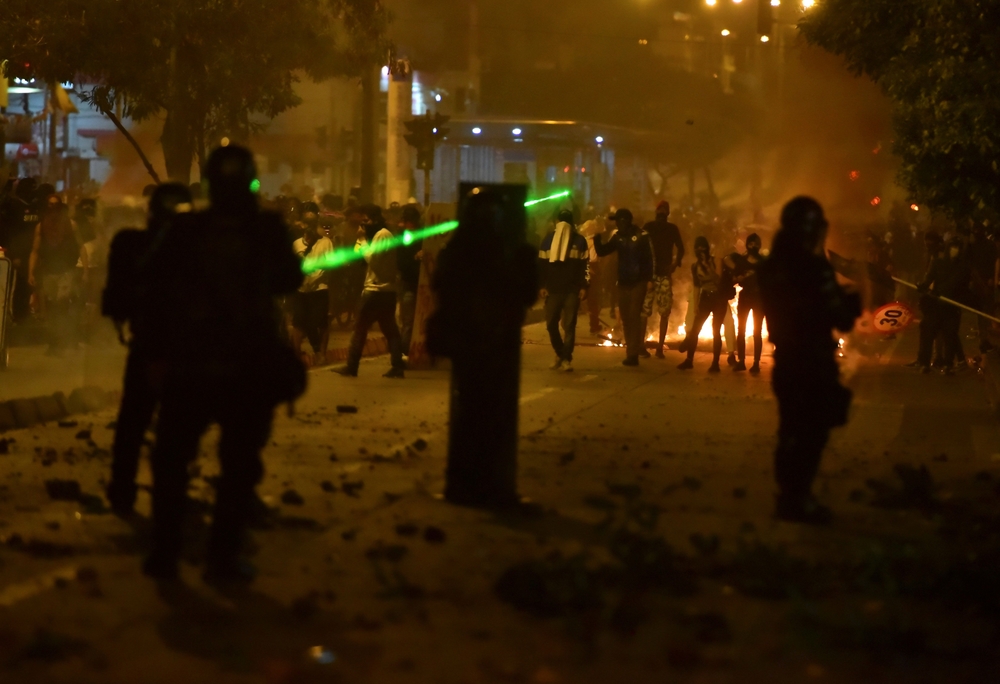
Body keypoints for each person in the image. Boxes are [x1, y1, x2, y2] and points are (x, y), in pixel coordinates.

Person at [139, 146, 306, 581]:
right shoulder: (265, 228)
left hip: (191, 363)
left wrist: (156, 353)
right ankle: (221, 558)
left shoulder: (186, 228)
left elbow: (152, 288)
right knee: (237, 467)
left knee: (173, 462)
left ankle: (165, 551)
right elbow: (291, 278)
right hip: (244, 367)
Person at [759, 197, 861, 524]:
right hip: (814, 362)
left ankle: (787, 497)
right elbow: (842, 319)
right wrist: (853, 300)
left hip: (785, 362)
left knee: (789, 429)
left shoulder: (769, 267)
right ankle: (798, 498)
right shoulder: (815, 269)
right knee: (812, 433)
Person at [102, 183, 193, 516]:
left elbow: (115, 301)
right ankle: (156, 493)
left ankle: (125, 489)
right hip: (173, 348)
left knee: (136, 423)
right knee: (166, 426)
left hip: (158, 346)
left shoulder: (133, 244)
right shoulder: (189, 251)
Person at [333, 208, 406, 378]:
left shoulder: (382, 235)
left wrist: (361, 240)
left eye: (366, 221)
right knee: (390, 330)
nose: (363, 225)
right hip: (385, 291)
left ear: (375, 220)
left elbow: (372, 259)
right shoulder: (381, 235)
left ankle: (352, 366)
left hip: (376, 290)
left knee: (360, 329)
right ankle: (397, 365)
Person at [593, 209, 653, 366]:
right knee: (626, 318)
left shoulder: (641, 235)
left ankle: (635, 350)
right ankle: (631, 353)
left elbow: (648, 259)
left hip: (638, 282)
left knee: (634, 315)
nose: (616, 224)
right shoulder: (617, 237)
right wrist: (597, 236)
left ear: (625, 220)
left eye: (618, 220)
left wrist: (649, 280)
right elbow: (602, 250)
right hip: (623, 282)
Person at [539, 209, 589, 371]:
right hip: (553, 290)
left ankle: (566, 359)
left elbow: (585, 267)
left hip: (571, 291)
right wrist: (542, 286)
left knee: (569, 326)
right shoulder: (547, 241)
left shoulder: (580, 241)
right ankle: (561, 353)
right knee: (551, 324)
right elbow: (541, 266)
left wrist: (583, 287)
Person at [28, 195, 79, 354]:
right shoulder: (41, 226)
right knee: (51, 307)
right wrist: (31, 272)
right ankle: (54, 342)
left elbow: (80, 246)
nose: (53, 208)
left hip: (65, 271)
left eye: (56, 205)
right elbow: (35, 251)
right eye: (50, 205)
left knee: (61, 304)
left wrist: (81, 268)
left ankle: (63, 341)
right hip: (49, 271)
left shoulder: (71, 225)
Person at [677, 237, 733, 372]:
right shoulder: (695, 267)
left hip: (719, 298)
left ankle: (715, 363)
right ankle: (689, 360)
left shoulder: (716, 261)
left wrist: (708, 267)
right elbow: (697, 286)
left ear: (707, 248)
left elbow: (718, 280)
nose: (700, 250)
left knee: (716, 330)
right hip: (705, 298)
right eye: (698, 248)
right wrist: (695, 304)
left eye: (702, 247)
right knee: (695, 329)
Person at [917, 237, 972, 375]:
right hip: (935, 305)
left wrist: (947, 294)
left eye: (958, 247)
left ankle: (948, 365)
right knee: (928, 335)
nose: (955, 250)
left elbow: (961, 286)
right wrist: (922, 286)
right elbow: (929, 278)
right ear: (948, 248)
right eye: (953, 246)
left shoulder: (963, 267)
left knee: (950, 335)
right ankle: (924, 364)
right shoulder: (938, 263)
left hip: (952, 307)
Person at [641, 201, 685, 358]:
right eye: (660, 210)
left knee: (661, 311)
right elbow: (640, 247)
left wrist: (674, 265)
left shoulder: (669, 228)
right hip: (650, 275)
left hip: (659, 275)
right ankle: (644, 346)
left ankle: (659, 347)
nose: (661, 213)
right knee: (646, 311)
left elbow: (681, 248)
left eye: (663, 210)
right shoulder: (651, 227)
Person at [291, 209, 334, 360]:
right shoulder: (296, 244)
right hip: (301, 290)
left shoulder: (325, 242)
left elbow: (329, 265)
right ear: (302, 224)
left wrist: (315, 277)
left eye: (313, 223)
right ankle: (297, 353)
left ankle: (321, 353)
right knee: (298, 323)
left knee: (320, 322)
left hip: (319, 289)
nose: (310, 226)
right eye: (307, 223)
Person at [733, 233, 766, 373]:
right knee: (741, 330)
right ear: (747, 245)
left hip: (759, 298)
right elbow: (734, 278)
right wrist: (741, 277)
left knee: (757, 332)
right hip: (745, 296)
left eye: (756, 243)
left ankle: (756, 363)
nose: (753, 246)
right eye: (751, 243)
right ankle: (741, 361)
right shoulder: (741, 261)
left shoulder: (764, 262)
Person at [396, 204, 424, 354]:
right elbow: (401, 263)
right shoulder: (402, 238)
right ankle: (404, 353)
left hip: (422, 284)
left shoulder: (422, 235)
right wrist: (415, 257)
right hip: (408, 284)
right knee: (408, 322)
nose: (411, 225)